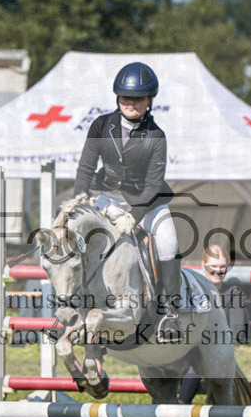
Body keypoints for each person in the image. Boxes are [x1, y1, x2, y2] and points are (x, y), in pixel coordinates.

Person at [74, 61, 183, 342]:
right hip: (108, 196)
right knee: (78, 235)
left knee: (169, 243)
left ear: (149, 101)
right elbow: (86, 167)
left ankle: (169, 312)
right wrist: (79, 199)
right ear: (117, 98)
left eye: (137, 98)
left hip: (147, 202)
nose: (130, 103)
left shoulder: (156, 136)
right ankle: (72, 304)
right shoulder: (101, 125)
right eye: (125, 97)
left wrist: (133, 216)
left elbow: (153, 184)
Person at [178, 244, 251, 403]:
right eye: (213, 267)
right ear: (203, 266)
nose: (218, 271)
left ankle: (181, 406)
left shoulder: (233, 294)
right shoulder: (193, 292)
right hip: (187, 351)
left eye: (222, 267)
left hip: (217, 353)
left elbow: (237, 334)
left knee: (199, 357)